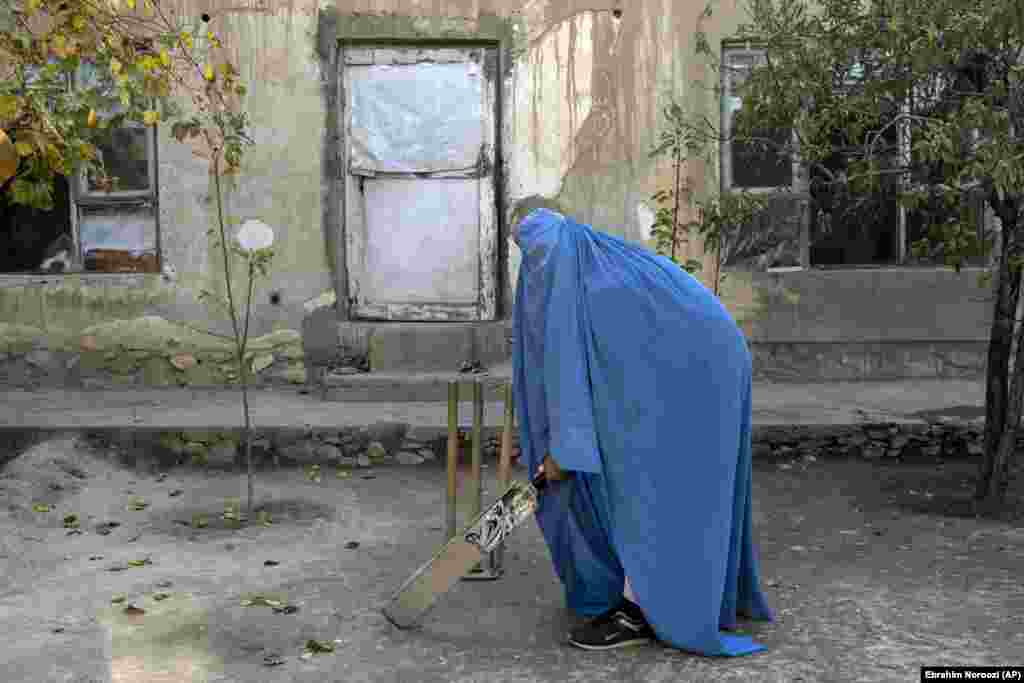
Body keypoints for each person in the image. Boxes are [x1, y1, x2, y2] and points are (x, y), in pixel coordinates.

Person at [511, 207, 774, 655]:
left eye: (532, 259)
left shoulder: (586, 286)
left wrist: (566, 452)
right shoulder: (595, 262)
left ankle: (643, 610)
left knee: (651, 486)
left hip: (700, 370)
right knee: (660, 480)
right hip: (706, 356)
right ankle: (676, 592)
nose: (531, 273)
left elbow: (573, 380)